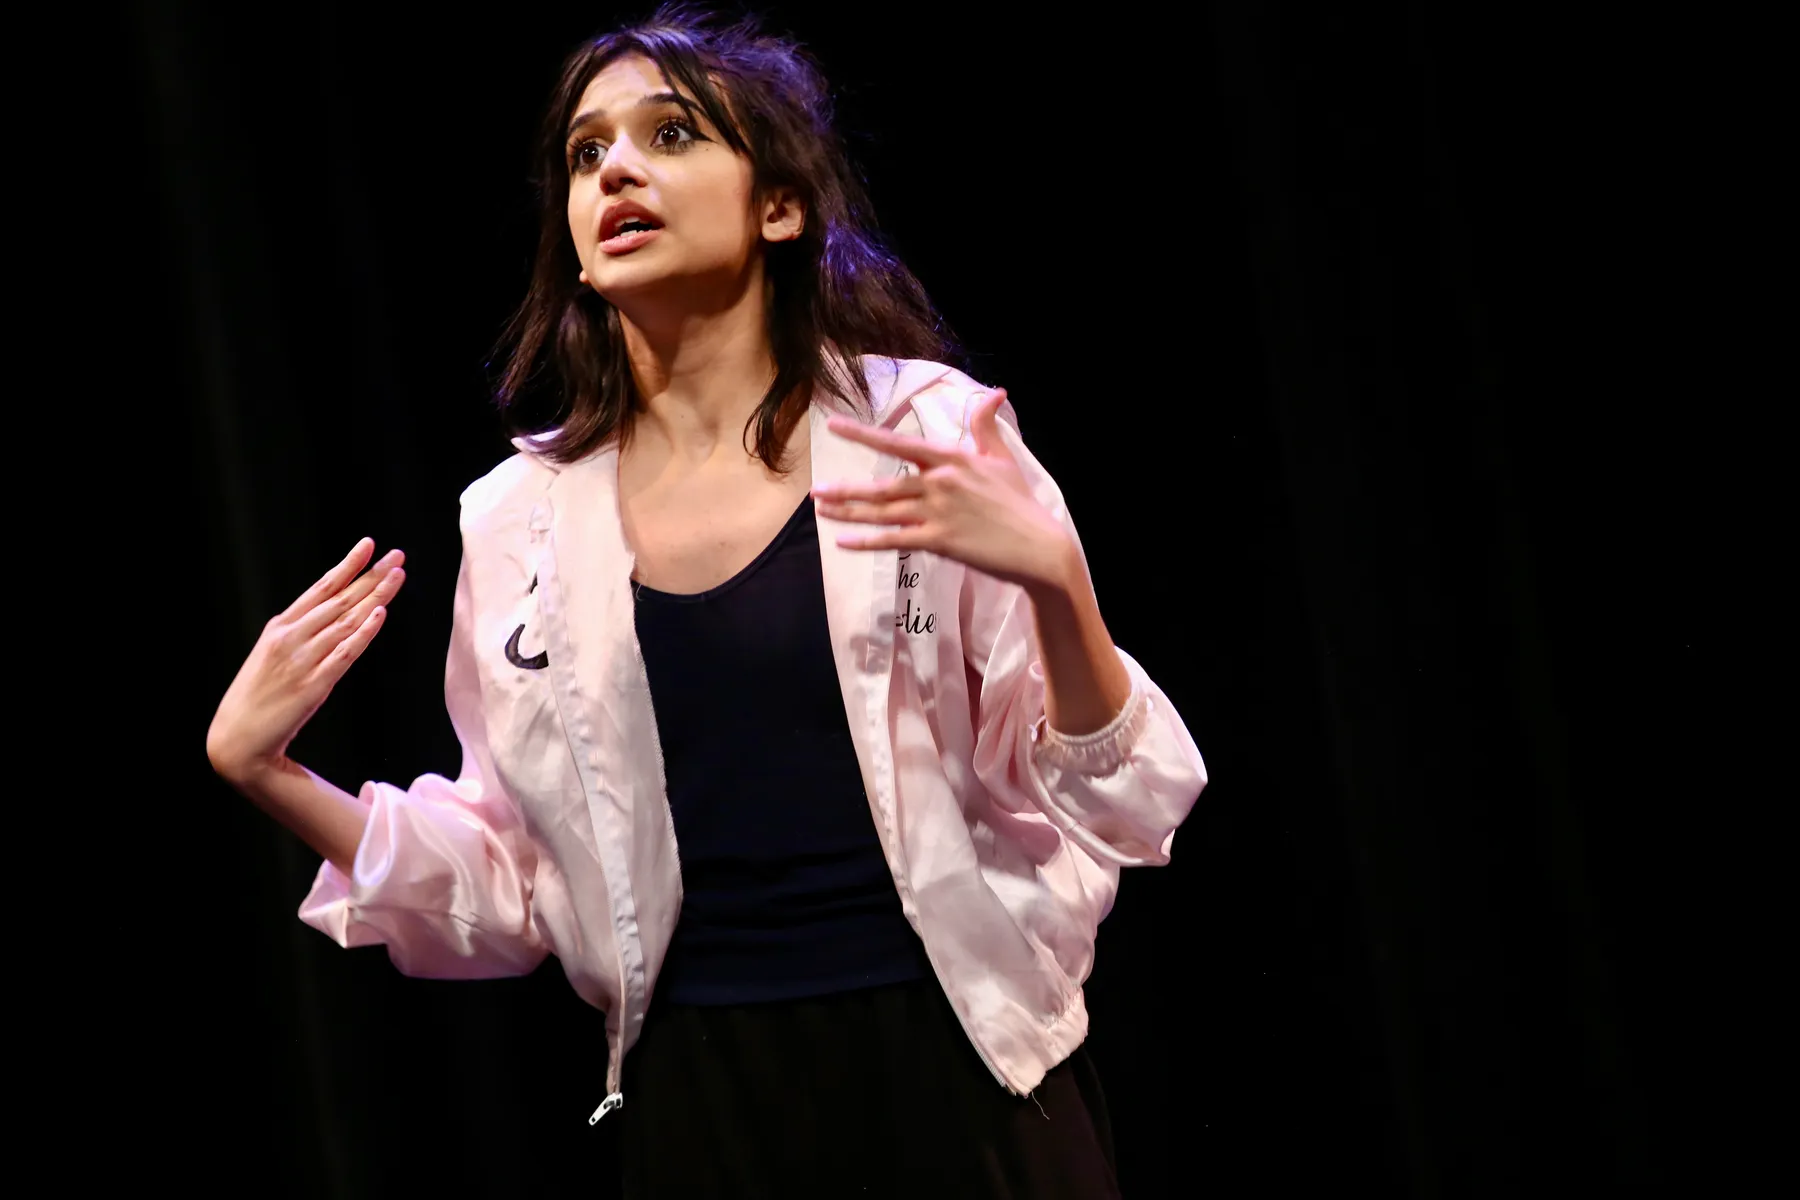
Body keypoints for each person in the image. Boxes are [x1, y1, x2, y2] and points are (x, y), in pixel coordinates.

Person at [205, 6, 1207, 1196]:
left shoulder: (926, 432)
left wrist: (1059, 581)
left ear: (777, 206)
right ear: (575, 239)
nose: (616, 169)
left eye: (670, 134)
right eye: (586, 154)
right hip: (703, 1100)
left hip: (965, 1069)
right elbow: (513, 879)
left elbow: (1124, 806)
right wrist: (267, 771)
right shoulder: (519, 519)